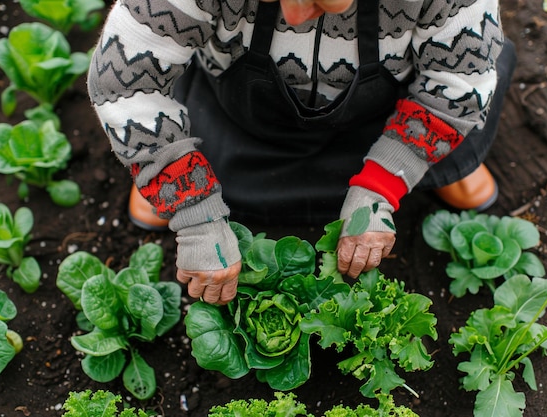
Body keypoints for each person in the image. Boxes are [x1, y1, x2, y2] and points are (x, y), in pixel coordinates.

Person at [87, 0, 516, 305]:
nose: (291, 14)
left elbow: (459, 83)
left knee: (467, 100)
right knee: (157, 141)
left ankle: (424, 163)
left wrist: (380, 185)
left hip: (381, 120)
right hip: (235, 119)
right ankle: (163, 174)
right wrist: (192, 211)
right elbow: (126, 85)